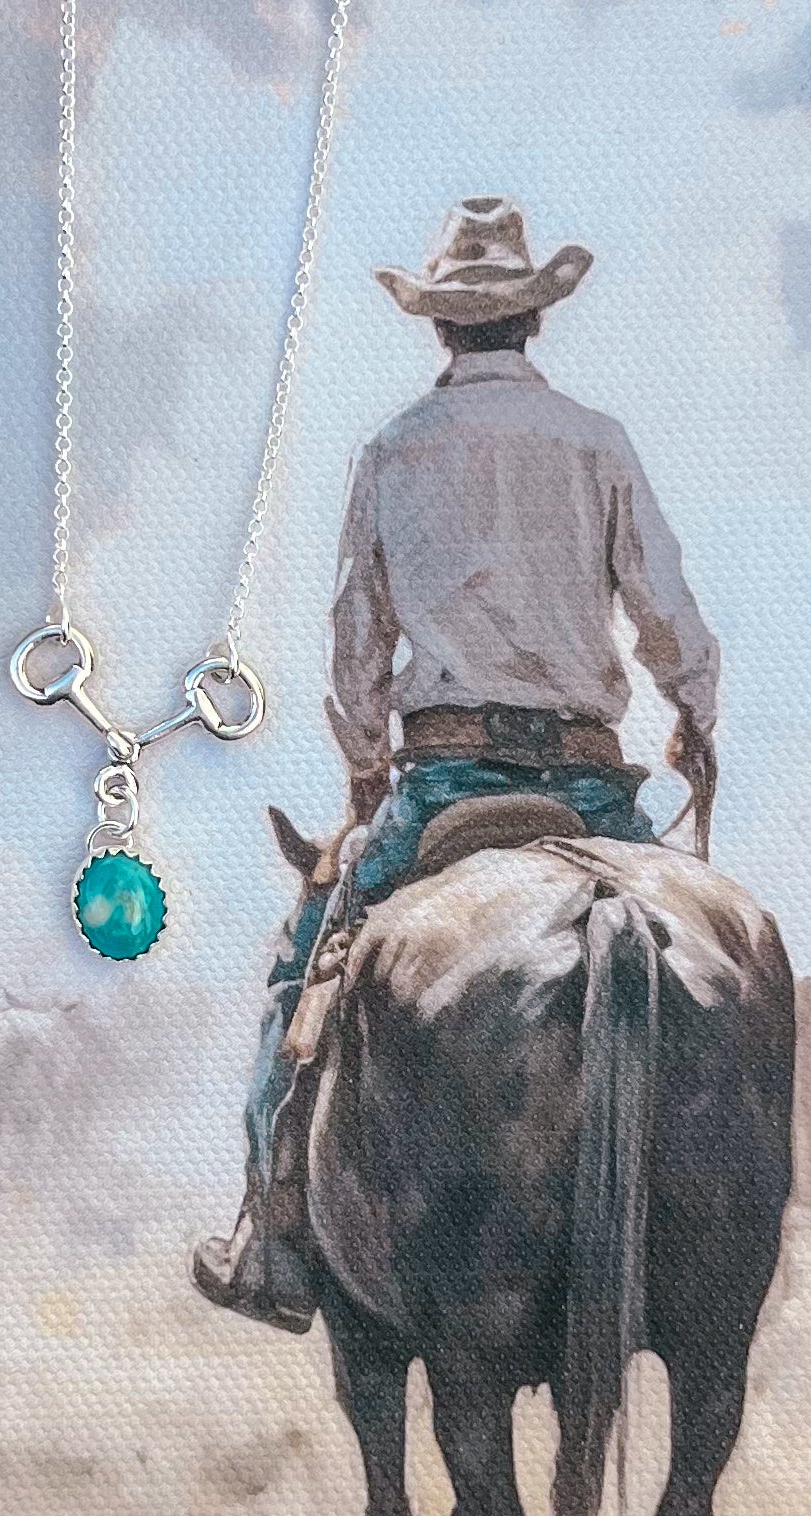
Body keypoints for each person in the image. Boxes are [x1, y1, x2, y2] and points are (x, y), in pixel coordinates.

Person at [193, 195, 720, 1333]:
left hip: (443, 780)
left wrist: (364, 765)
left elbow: (355, 637)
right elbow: (667, 612)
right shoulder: (597, 441)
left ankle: (270, 1231)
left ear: (439, 326)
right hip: (591, 788)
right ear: (533, 319)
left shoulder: (390, 451)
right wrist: (694, 715)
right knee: (696, 961)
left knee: (304, 972)